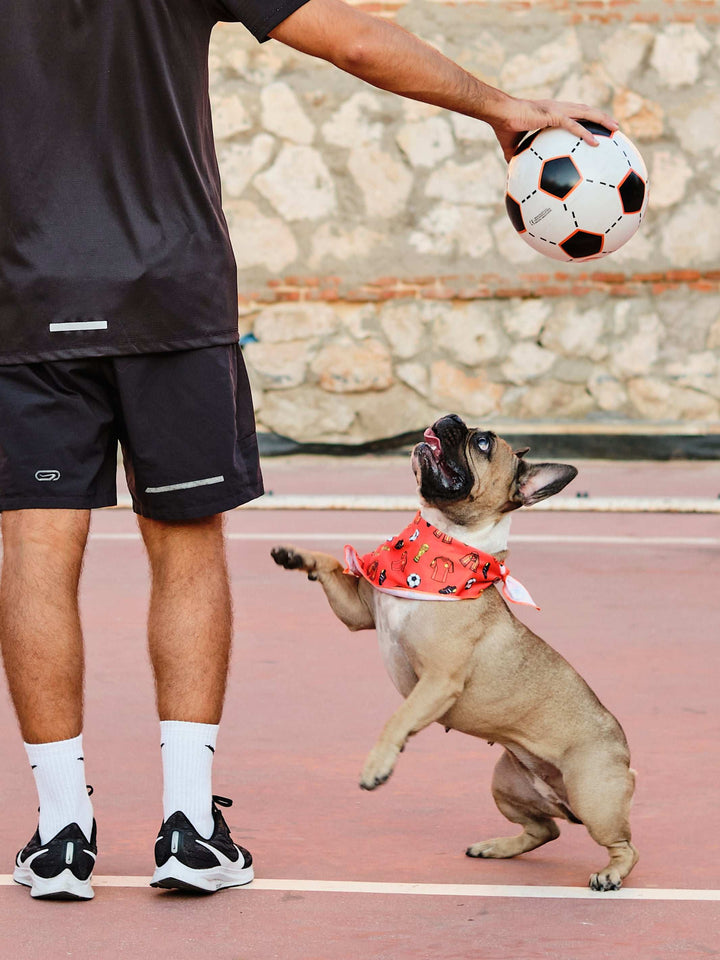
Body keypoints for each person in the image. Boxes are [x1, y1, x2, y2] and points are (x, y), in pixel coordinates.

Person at [0, 0, 617, 901]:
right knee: (184, 548)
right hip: (169, 298)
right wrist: (499, 107)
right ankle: (188, 828)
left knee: (33, 557)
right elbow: (356, 38)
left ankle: (60, 834)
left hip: (26, 294)